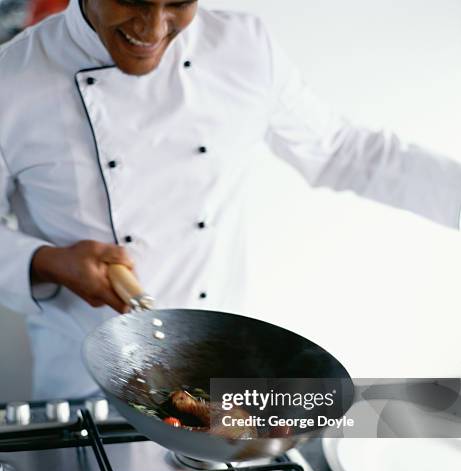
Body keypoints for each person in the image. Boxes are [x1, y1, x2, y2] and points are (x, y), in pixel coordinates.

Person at [1, 0, 460, 401]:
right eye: (133, 1)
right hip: (87, 383)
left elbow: (342, 151)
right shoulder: (13, 78)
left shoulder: (243, 47)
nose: (153, 28)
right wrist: (46, 261)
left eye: (177, 4)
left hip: (224, 372)